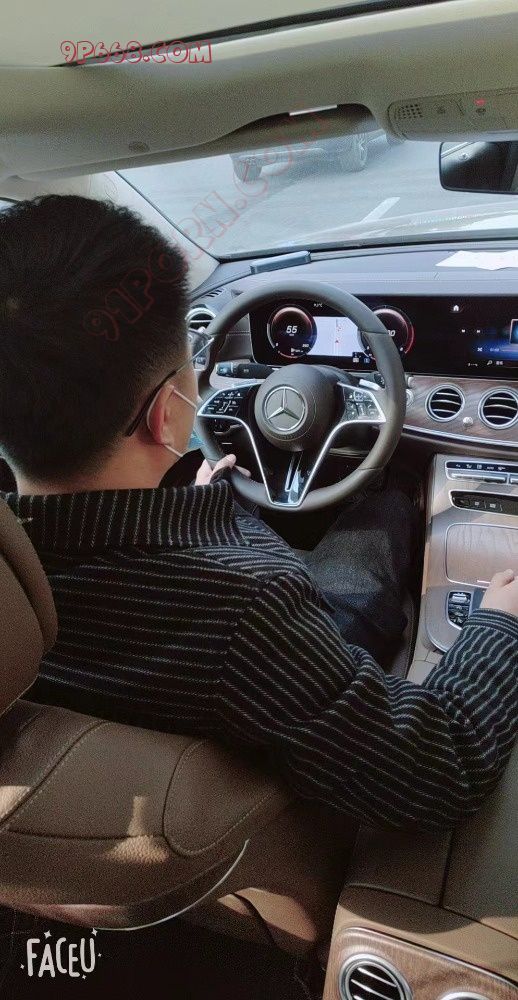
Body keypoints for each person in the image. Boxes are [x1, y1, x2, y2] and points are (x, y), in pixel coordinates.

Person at [0, 194, 516, 832]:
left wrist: (194, 507)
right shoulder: (246, 612)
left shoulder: (14, 582)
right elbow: (442, 769)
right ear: (168, 415)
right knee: (384, 505)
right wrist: (499, 623)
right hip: (283, 754)